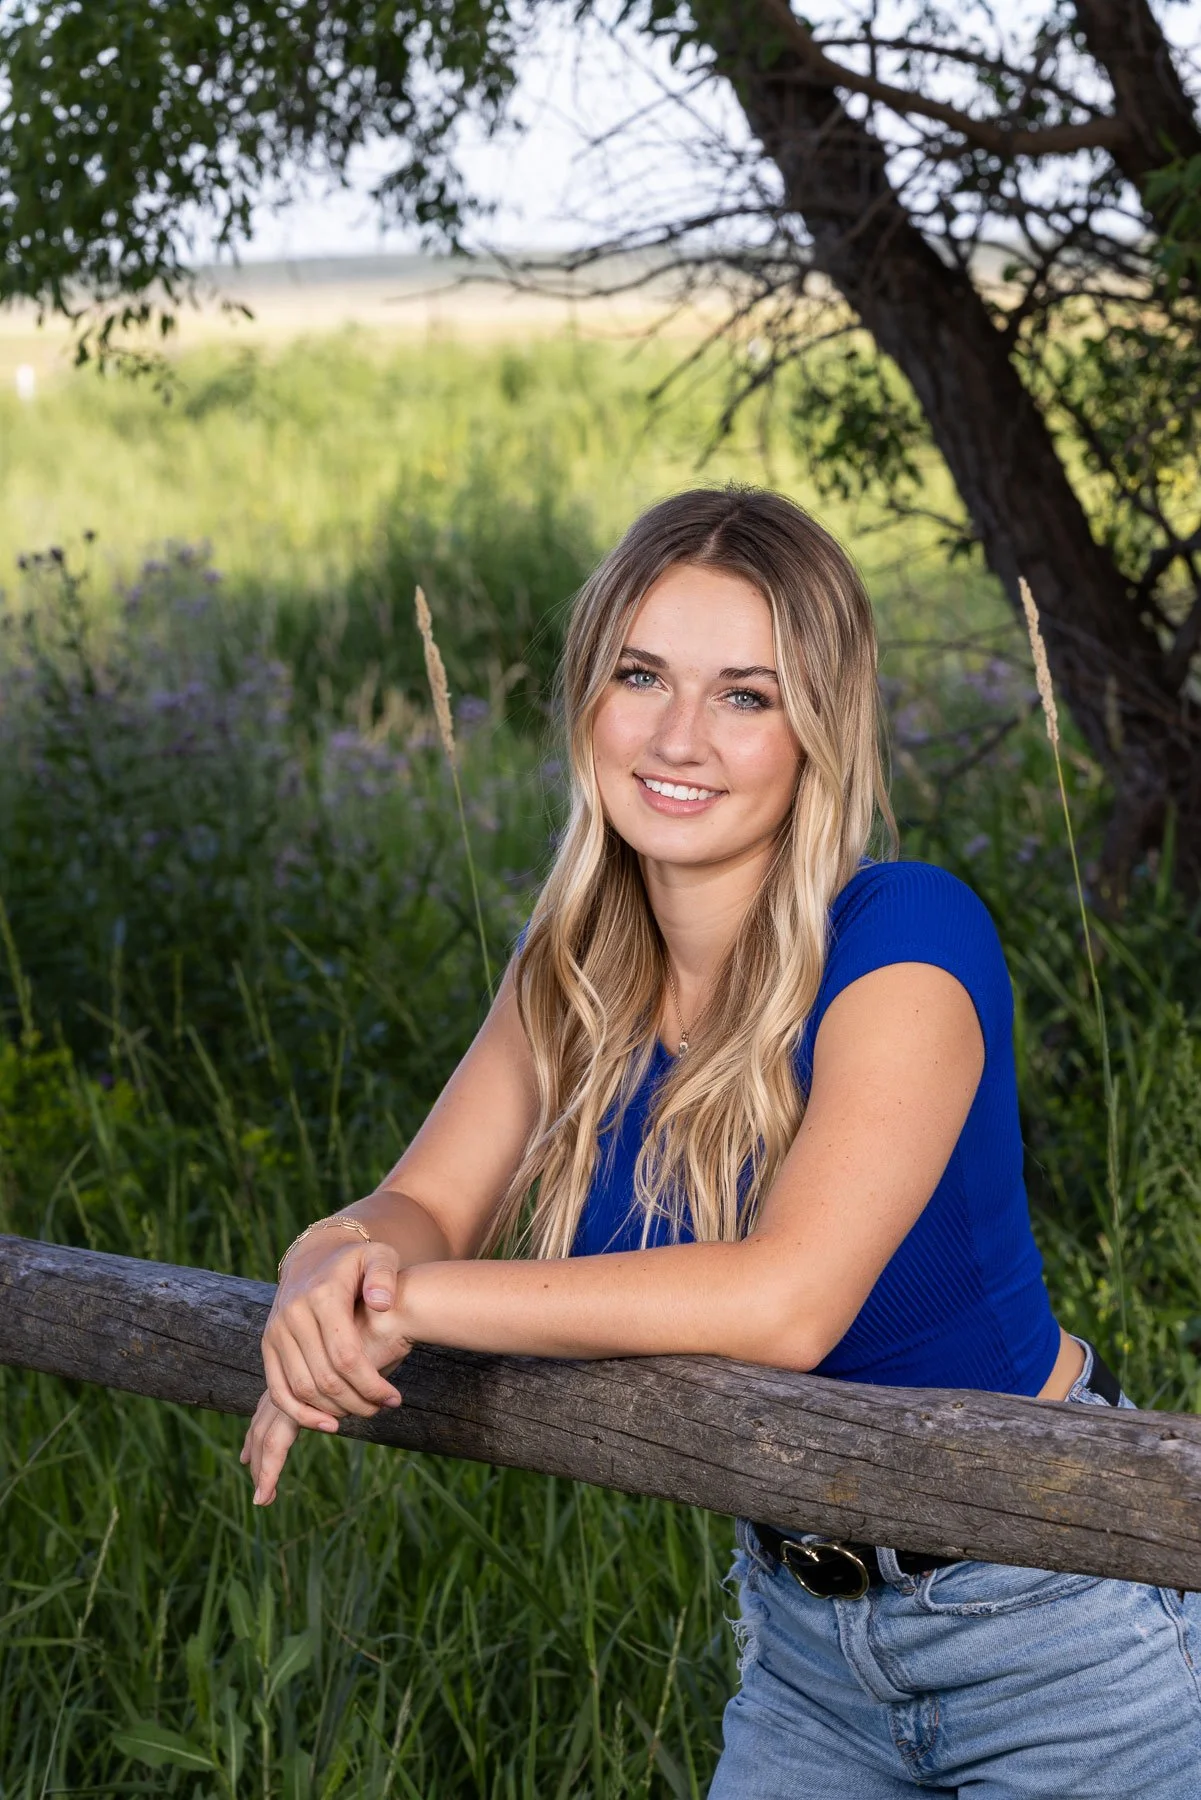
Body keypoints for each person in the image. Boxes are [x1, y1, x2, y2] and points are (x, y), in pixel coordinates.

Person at [240, 486, 1201, 1795]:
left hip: (1050, 1622)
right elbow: (415, 1206)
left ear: (815, 728)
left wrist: (400, 1301)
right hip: (808, 1650)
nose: (681, 734)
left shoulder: (907, 936)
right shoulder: (572, 974)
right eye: (644, 675)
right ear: (588, 696)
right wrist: (327, 1268)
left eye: (746, 694)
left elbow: (786, 1303)